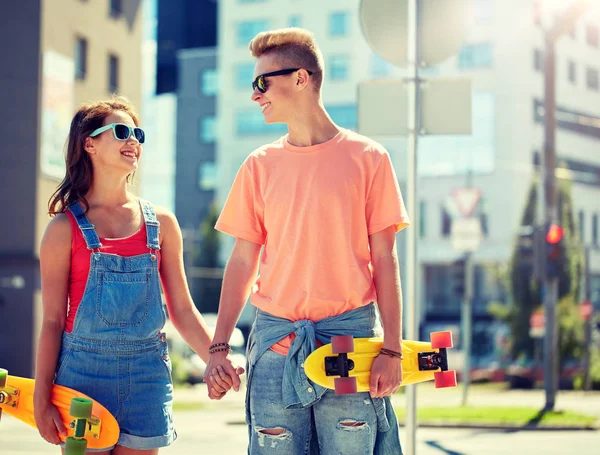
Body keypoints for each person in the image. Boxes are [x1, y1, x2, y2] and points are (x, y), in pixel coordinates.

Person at [204, 28, 409, 454]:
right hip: (275, 348)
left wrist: (392, 348)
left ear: (300, 78)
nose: (255, 94)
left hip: (349, 346)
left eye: (262, 82)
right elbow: (242, 263)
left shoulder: (369, 158)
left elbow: (385, 260)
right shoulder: (258, 166)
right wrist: (219, 347)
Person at [34, 97, 238, 454]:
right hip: (82, 378)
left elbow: (183, 311)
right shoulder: (63, 229)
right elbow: (52, 320)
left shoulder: (162, 224)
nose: (134, 141)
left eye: (138, 134)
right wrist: (42, 398)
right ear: (89, 143)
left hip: (147, 378)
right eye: (122, 131)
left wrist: (216, 359)